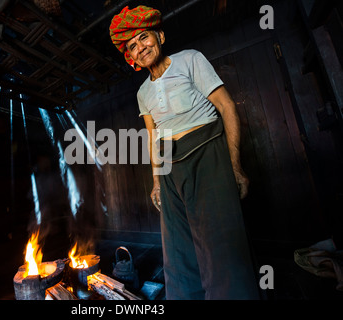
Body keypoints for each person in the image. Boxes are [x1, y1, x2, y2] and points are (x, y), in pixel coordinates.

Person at [109, 5, 260, 300]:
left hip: (207, 153)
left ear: (160, 36)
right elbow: (154, 138)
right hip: (169, 168)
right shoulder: (143, 93)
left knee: (220, 243)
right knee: (177, 249)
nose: (140, 47)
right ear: (131, 57)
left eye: (143, 37)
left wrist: (235, 164)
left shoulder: (190, 59)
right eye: (132, 46)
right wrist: (156, 181)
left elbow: (227, 106)